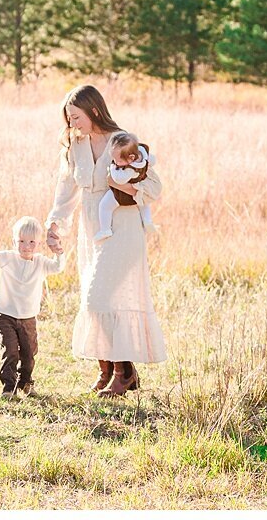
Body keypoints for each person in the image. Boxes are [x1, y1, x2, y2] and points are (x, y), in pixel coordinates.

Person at [45, 85, 165, 398]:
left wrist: (124, 190)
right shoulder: (75, 146)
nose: (72, 124)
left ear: (94, 110)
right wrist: (54, 224)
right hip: (90, 229)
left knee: (97, 298)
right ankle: (108, 369)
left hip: (122, 229)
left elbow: (154, 185)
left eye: (76, 117)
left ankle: (124, 372)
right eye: (68, 119)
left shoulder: (123, 141)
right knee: (95, 298)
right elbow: (66, 189)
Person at [0, 215, 66, 399]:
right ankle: (9, 388)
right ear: (13, 241)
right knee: (9, 352)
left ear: (39, 244)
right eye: (21, 241)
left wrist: (58, 252)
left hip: (28, 318)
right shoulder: (8, 258)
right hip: (6, 316)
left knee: (29, 353)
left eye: (32, 242)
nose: (26, 246)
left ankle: (26, 383)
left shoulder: (41, 263)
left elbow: (57, 267)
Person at [95, 131, 156, 244]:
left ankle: (105, 229)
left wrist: (112, 169)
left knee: (105, 206)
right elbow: (153, 160)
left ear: (131, 157)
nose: (116, 162)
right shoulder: (143, 155)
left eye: (119, 160)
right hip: (138, 190)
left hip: (123, 194)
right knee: (143, 202)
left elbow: (119, 180)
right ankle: (147, 220)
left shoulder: (130, 169)